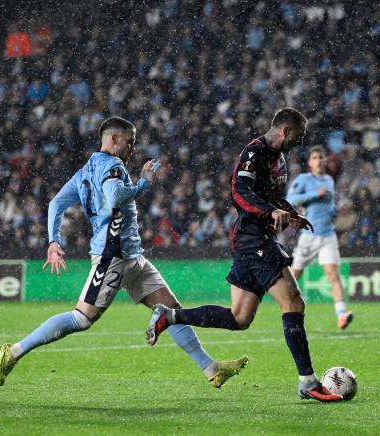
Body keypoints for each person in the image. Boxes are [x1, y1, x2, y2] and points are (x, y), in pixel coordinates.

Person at [0, 116, 247, 386]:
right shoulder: (113, 165)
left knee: (171, 309)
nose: (132, 148)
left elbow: (56, 203)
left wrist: (53, 240)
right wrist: (143, 183)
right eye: (130, 141)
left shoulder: (85, 171)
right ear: (113, 139)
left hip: (132, 257)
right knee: (81, 319)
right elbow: (115, 196)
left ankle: (211, 368)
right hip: (112, 256)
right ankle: (14, 351)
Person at [145, 108, 344, 402]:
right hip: (253, 238)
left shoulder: (279, 157)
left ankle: (170, 316)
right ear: (285, 132)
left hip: (254, 240)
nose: (299, 143)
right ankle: (308, 382)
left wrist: (290, 213)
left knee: (239, 317)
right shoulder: (254, 153)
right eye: (298, 137)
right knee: (293, 302)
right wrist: (270, 211)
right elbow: (239, 193)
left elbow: (272, 195)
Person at [286, 145, 353, 329]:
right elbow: (290, 199)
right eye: (315, 157)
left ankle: (341, 314)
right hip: (309, 235)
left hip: (328, 235)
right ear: (310, 162)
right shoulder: (304, 179)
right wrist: (314, 194)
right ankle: (272, 298)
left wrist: (336, 211)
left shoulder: (329, 180)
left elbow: (328, 205)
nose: (319, 160)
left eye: (322, 157)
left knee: (333, 274)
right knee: (293, 276)